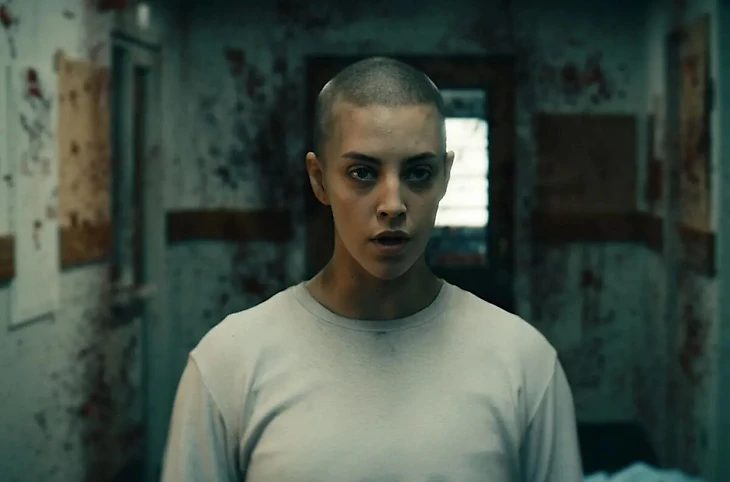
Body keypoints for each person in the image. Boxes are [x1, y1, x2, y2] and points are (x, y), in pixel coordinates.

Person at [161, 56, 583, 482]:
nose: (392, 204)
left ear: (445, 176)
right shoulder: (229, 363)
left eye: (419, 172)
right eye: (362, 172)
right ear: (319, 179)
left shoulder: (524, 363)